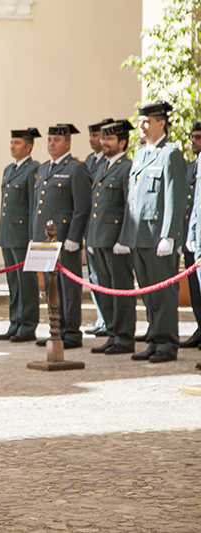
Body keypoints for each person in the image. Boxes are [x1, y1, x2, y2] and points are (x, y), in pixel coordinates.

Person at [120, 101, 186, 363]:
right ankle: (154, 339)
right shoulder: (140, 155)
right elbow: (132, 201)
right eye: (141, 121)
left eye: (147, 121)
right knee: (147, 292)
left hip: (158, 237)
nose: (142, 125)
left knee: (164, 294)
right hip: (139, 237)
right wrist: (126, 236)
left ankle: (167, 344)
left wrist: (169, 235)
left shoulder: (170, 154)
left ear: (161, 123)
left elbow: (174, 197)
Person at [32, 124, 92, 349]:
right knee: (50, 286)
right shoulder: (43, 169)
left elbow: (82, 207)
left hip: (65, 240)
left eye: (56, 140)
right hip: (46, 241)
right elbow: (38, 208)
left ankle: (72, 333)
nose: (51, 143)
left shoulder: (76, 168)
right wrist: (35, 236)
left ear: (67, 143)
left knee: (68, 287)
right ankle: (55, 329)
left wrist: (74, 237)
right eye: (49, 140)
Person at [85, 120, 136, 355]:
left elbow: (129, 207)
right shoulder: (103, 166)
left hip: (116, 241)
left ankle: (124, 338)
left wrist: (124, 240)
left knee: (121, 291)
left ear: (122, 142)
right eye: (103, 139)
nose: (104, 143)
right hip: (99, 238)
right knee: (104, 290)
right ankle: (113, 333)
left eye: (110, 139)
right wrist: (91, 238)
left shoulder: (127, 167)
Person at [0, 127, 41, 343]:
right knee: (13, 282)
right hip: (8, 233)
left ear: (29, 146)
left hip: (23, 234)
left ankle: (28, 325)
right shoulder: (8, 170)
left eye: (17, 143)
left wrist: (33, 236)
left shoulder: (33, 169)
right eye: (11, 142)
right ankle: (14, 323)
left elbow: (33, 206)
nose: (12, 146)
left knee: (27, 282)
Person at [84, 118, 115, 338]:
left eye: (98, 136)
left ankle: (109, 321)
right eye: (94, 136)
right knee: (94, 277)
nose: (95, 140)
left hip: (106, 228)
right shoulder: (89, 160)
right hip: (91, 226)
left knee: (107, 278)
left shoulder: (111, 162)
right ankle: (101, 317)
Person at [179, 122, 201, 348]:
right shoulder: (189, 168)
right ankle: (199, 326)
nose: (194, 141)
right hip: (190, 235)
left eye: (198, 137)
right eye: (192, 137)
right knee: (194, 287)